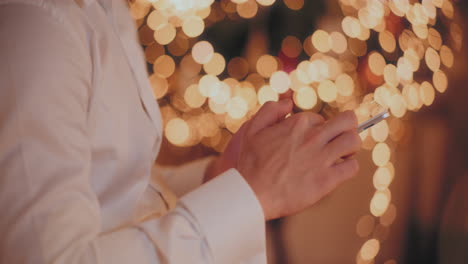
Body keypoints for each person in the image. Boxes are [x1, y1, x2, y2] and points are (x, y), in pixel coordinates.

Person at [0, 0, 361, 263]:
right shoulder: (39, 26)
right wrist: (247, 195)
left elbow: (112, 186)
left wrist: (216, 178)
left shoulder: (108, 13)